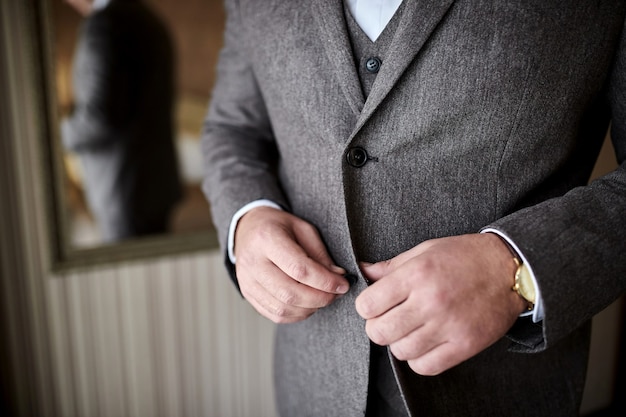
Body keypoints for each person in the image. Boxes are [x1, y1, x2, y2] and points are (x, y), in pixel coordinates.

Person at [201, 0, 626, 416]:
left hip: (501, 387)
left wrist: (513, 273)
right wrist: (247, 217)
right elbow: (232, 129)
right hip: (312, 382)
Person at [62, 0, 182, 243]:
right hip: (153, 183)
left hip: (122, 189)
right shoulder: (146, 17)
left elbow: (99, 119)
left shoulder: (104, 24)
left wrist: (57, 133)